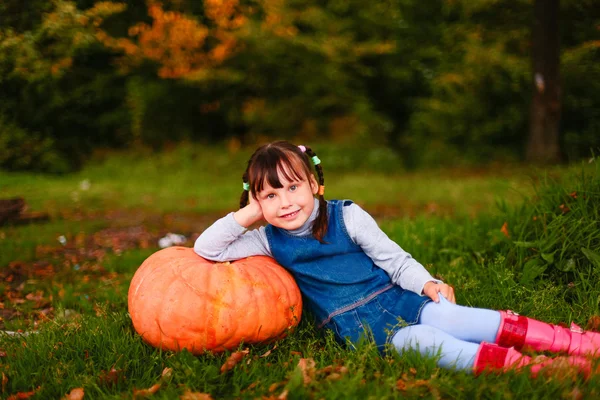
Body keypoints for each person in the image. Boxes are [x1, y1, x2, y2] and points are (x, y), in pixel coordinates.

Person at [194, 141, 598, 376]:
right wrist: (247, 214)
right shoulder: (267, 240)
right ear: (256, 200)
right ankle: (528, 367)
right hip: (358, 329)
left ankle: (568, 341)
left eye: (293, 188)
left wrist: (426, 284)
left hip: (395, 297)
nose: (284, 203)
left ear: (315, 184)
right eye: (269, 195)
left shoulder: (346, 216)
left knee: (452, 317)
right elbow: (207, 250)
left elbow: (396, 260)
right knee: (423, 342)